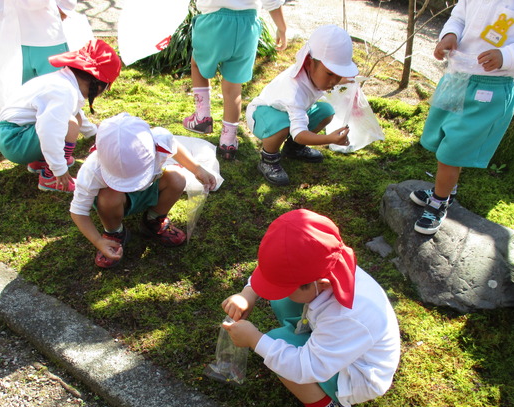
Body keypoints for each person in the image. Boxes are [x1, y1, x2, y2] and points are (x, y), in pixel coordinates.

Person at [221, 209, 400, 407]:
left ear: (321, 283)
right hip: (337, 342)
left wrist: (256, 341)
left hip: (358, 374)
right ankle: (302, 338)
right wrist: (248, 294)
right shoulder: (325, 265)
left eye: (284, 285)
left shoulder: (348, 316)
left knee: (276, 347)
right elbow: (276, 268)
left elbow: (305, 368)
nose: (278, 288)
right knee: (284, 301)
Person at [409, 0, 514, 235]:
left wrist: (507, 55)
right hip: (456, 77)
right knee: (439, 140)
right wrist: (450, 34)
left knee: (453, 150)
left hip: (491, 86)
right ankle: (445, 188)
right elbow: (459, 16)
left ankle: (439, 201)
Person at [70, 113, 218, 268]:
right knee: (108, 198)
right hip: (116, 201)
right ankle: (114, 232)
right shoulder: (91, 169)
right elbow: (78, 210)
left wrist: (197, 168)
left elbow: (175, 147)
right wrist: (98, 241)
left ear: (154, 148)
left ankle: (153, 220)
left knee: (177, 178)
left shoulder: (160, 139)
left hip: (150, 188)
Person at [0, 39, 121, 193]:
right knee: (70, 124)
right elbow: (49, 131)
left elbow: (75, 111)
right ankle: (50, 178)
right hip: (15, 141)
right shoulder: (63, 91)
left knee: (74, 118)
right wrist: (59, 169)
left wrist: (94, 133)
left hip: (15, 133)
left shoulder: (64, 82)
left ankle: (40, 161)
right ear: (97, 84)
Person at [245, 24, 356, 186]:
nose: (333, 82)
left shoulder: (316, 76)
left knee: (325, 111)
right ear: (309, 63)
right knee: (282, 123)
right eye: (330, 74)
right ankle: (268, 159)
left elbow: (331, 80)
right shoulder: (294, 91)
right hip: (262, 114)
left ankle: (293, 149)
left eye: (339, 75)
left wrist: (348, 80)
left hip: (288, 114)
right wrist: (328, 139)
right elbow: (298, 132)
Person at [183, 0, 287, 161]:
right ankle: (228, 141)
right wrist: (282, 28)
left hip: (213, 21)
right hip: (248, 26)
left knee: (198, 64)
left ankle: (202, 117)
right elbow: (271, 1)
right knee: (234, 85)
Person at [15, 0, 79, 83]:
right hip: (47, 39)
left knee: (18, 93)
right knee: (56, 90)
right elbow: (68, 3)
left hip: (16, 39)